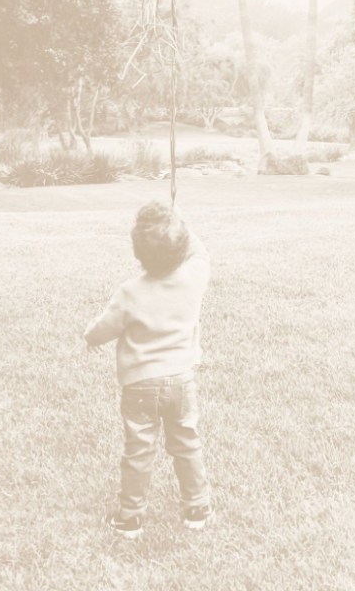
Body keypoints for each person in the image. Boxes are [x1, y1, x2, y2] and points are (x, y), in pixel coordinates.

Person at [84, 200, 213, 538]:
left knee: (139, 449)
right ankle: (197, 507)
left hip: (140, 385)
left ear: (138, 255)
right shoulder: (193, 276)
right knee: (186, 441)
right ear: (182, 246)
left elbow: (104, 328)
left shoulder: (130, 292)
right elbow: (198, 249)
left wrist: (90, 337)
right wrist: (179, 222)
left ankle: (131, 517)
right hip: (182, 380)